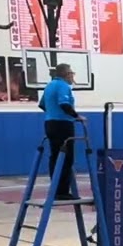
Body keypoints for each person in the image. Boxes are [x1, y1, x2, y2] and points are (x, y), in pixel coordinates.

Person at [39, 63, 83, 201]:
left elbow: (42, 105)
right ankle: (62, 191)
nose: (72, 76)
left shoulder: (49, 85)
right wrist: (77, 116)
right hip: (62, 125)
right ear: (66, 74)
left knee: (55, 157)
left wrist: (52, 114)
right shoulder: (63, 86)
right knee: (67, 158)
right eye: (71, 73)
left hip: (49, 124)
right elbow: (64, 104)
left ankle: (55, 189)